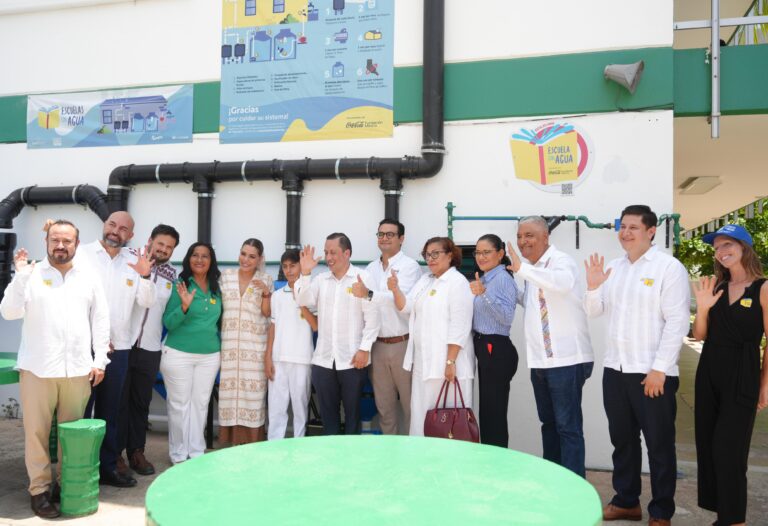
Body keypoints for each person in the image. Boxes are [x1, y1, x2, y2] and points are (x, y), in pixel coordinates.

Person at [584, 205, 690, 526]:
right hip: (615, 371)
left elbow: (677, 322)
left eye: (633, 227)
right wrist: (593, 285)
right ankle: (626, 501)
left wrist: (659, 368)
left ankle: (661, 511)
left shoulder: (668, 268)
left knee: (659, 446)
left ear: (651, 231)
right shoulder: (614, 268)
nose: (625, 233)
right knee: (623, 441)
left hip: (651, 374)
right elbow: (593, 311)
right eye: (622, 227)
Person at [0, 220, 110, 518]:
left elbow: (101, 320)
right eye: (55, 240)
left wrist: (100, 360)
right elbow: (8, 312)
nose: (61, 246)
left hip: (77, 370)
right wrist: (20, 277)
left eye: (67, 241)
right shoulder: (31, 275)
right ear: (46, 242)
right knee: (35, 434)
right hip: (37, 369)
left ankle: (64, 484)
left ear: (76, 243)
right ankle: (39, 490)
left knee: (70, 435)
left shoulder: (88, 277)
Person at [692, 224, 768, 526]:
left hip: (742, 371)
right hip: (709, 368)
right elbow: (700, 335)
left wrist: (764, 385)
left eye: (728, 245)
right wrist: (702, 308)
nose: (721, 252)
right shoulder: (717, 288)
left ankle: (735, 520)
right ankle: (724, 515)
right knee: (709, 445)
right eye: (717, 248)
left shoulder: (762, 288)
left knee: (730, 449)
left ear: (744, 247)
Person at [507, 216, 594, 476]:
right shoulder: (531, 269)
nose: (523, 241)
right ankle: (556, 483)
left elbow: (562, 283)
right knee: (549, 424)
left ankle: (575, 490)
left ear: (546, 237)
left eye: (529, 235)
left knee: (568, 428)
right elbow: (533, 301)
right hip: (540, 363)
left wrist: (521, 269)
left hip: (566, 361)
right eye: (520, 236)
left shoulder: (560, 262)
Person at [78, 211, 154, 488]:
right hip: (84, 348)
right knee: (81, 413)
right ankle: (80, 470)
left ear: (130, 235)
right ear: (104, 225)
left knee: (110, 413)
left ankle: (108, 468)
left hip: (119, 349)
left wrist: (146, 277)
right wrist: (94, 336)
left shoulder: (135, 262)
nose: (115, 231)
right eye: (112, 224)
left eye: (123, 228)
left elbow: (146, 302)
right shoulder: (81, 255)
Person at [295, 233, 380, 435]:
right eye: (326, 252)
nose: (328, 257)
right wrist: (305, 273)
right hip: (323, 360)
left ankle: (350, 461)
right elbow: (303, 300)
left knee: (353, 416)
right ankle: (331, 459)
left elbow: (373, 317)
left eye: (333, 252)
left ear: (347, 253)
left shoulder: (363, 278)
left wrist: (364, 349)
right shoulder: (320, 279)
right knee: (328, 417)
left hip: (353, 360)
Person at [390, 236, 474, 436]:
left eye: (436, 254)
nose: (431, 259)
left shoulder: (457, 282)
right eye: (427, 255)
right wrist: (395, 289)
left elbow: (460, 324)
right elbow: (406, 306)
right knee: (423, 420)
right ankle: (422, 464)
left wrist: (450, 361)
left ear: (450, 255)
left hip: (448, 367)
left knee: (449, 423)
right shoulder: (425, 280)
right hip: (424, 364)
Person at [120, 224, 180, 476]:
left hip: (150, 347)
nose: (163, 250)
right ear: (150, 241)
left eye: (169, 247)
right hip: (122, 344)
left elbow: (170, 315)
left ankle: (136, 452)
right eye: (160, 244)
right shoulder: (128, 261)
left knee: (140, 403)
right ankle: (113, 455)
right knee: (117, 402)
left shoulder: (171, 275)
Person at [352, 219, 421, 435]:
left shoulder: (410, 266)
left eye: (390, 234)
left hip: (402, 344)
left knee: (411, 407)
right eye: (381, 234)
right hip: (377, 346)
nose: (384, 238)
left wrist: (369, 294)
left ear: (401, 239)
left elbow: (403, 302)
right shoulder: (371, 268)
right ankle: (390, 458)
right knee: (384, 408)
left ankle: (412, 455)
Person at [161, 242, 222, 464]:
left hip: (209, 356)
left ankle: (196, 453)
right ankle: (178, 454)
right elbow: (168, 321)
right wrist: (184, 307)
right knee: (179, 405)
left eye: (205, 256)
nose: (199, 259)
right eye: (195, 255)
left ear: (211, 260)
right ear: (188, 259)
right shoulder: (180, 285)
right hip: (179, 354)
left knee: (200, 404)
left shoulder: (217, 287)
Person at [218, 238, 274, 445]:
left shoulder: (265, 280)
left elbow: (268, 315)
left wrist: (266, 293)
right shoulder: (226, 277)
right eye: (243, 254)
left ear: (260, 259)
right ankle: (227, 447)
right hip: (230, 350)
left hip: (255, 351)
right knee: (228, 398)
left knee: (253, 400)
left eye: (252, 256)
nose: (246, 259)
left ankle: (251, 449)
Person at [468, 234, 517, 447]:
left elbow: (506, 317)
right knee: (487, 409)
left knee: (494, 411)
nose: (481, 256)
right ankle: (490, 457)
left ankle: (497, 462)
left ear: (500, 254)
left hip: (495, 347)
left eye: (486, 252)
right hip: (483, 345)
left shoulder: (503, 279)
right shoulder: (486, 277)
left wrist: (484, 294)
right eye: (478, 252)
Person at [266, 250, 318, 440]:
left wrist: (301, 301)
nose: (289, 270)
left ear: (300, 266)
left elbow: (315, 325)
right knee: (276, 409)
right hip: (278, 359)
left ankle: (299, 447)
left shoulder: (311, 292)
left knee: (300, 409)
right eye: (285, 266)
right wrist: (268, 358)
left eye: (293, 265)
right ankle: (274, 448)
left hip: (302, 358)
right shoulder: (277, 296)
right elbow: (272, 327)